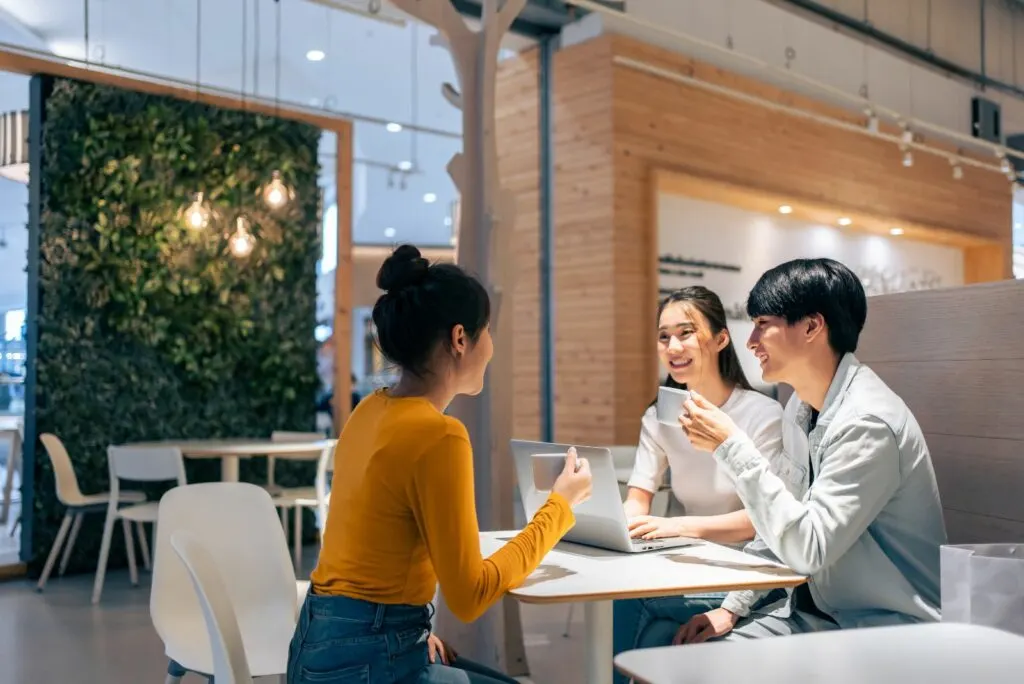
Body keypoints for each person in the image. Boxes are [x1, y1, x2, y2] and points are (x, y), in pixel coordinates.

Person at [287, 245, 593, 684]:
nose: (491, 345)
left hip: (319, 648)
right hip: (368, 661)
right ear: (460, 339)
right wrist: (559, 506)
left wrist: (406, 633)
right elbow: (470, 596)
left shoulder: (369, 411)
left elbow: (369, 559)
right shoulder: (440, 435)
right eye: (487, 330)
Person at [674, 257, 947, 645]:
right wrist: (732, 606)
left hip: (882, 629)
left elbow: (808, 548)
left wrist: (730, 445)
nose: (750, 342)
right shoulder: (800, 409)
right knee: (675, 662)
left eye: (762, 325)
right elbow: (780, 518)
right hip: (810, 616)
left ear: (812, 326)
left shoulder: (868, 422)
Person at [612, 286, 800, 679]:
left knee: (632, 604)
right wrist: (619, 525)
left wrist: (676, 526)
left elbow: (762, 520)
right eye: (664, 336)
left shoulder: (762, 415)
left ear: (720, 339)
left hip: (750, 573)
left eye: (685, 332)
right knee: (658, 633)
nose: (673, 345)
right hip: (690, 566)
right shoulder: (658, 417)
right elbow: (638, 498)